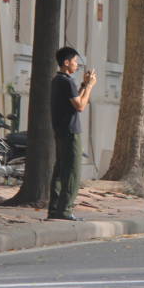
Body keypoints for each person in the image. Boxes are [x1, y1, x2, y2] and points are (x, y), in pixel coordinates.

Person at [48, 46, 96, 221]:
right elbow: (81, 106)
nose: (76, 64)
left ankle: (54, 209)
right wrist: (90, 86)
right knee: (72, 173)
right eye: (75, 61)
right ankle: (65, 210)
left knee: (60, 171)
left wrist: (83, 85)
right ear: (66, 62)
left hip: (61, 130)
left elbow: (75, 100)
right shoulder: (66, 82)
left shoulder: (59, 80)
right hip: (70, 131)